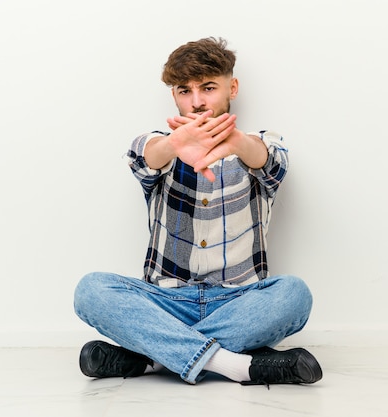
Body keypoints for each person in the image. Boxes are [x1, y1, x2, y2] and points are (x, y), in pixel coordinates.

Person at [73, 37, 322, 386]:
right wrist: (175, 145)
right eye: (184, 91)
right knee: (91, 290)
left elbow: (272, 162)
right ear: (173, 96)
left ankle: (152, 359)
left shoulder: (258, 143)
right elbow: (144, 157)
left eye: (207, 88)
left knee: (294, 295)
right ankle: (238, 366)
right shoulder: (162, 145)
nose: (197, 102)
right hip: (166, 301)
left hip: (238, 302)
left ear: (231, 87)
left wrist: (234, 142)